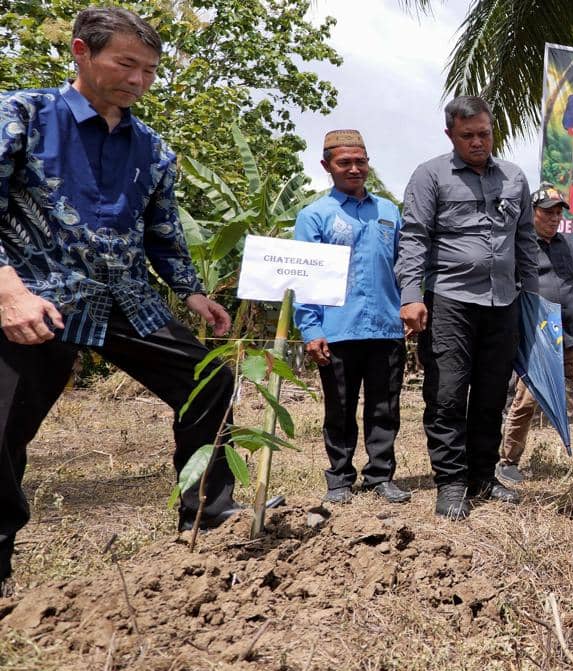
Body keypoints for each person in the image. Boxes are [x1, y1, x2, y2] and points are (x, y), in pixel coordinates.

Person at [0, 7, 241, 586]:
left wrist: (191, 292)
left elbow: (163, 230)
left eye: (150, 71)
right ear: (81, 52)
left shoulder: (152, 148)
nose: (138, 80)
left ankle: (208, 512)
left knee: (209, 379)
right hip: (37, 292)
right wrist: (7, 291)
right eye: (126, 63)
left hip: (126, 297)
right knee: (2, 427)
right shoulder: (22, 115)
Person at [397, 95, 540, 520]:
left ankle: (482, 476)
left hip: (504, 303)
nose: (478, 142)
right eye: (468, 136)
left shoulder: (514, 178)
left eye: (485, 134)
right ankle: (451, 482)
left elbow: (526, 242)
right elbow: (414, 238)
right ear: (450, 135)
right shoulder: (430, 176)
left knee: (492, 395)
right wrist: (411, 295)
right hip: (450, 302)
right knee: (447, 394)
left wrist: (531, 298)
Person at [293, 130, 410, 505]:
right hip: (336, 329)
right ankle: (340, 478)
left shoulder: (389, 212)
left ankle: (380, 476)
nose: (355, 169)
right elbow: (305, 278)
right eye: (345, 162)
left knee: (384, 407)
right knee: (339, 408)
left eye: (361, 161)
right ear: (327, 166)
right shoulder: (314, 216)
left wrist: (410, 302)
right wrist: (311, 329)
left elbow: (406, 265)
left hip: (386, 328)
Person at [497, 184, 573, 486]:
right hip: (538, 339)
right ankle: (508, 461)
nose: (554, 218)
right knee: (527, 400)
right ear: (532, 212)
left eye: (558, 212)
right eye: (547, 212)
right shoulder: (520, 245)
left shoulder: (568, 245)